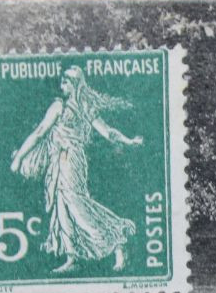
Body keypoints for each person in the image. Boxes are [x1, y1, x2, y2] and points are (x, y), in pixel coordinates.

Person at [8, 64, 143, 273]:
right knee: (61, 206)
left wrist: (128, 140)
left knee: (76, 203)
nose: (62, 82)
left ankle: (116, 240)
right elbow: (39, 132)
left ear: (76, 84)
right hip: (58, 160)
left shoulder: (82, 108)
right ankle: (72, 257)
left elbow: (107, 132)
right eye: (62, 79)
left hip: (72, 160)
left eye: (67, 80)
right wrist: (20, 156)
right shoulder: (58, 106)